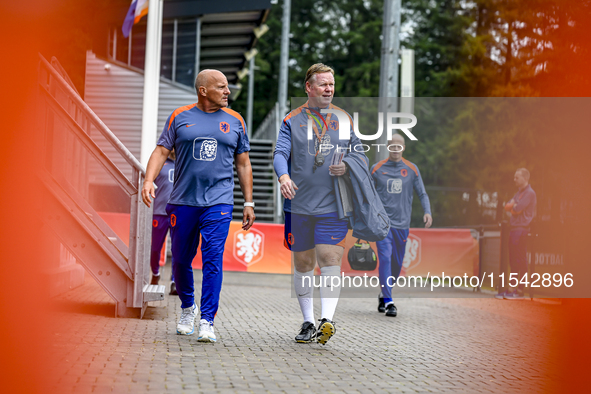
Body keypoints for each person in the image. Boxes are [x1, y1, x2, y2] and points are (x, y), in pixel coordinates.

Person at [141, 69, 255, 342]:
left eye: (227, 87)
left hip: (219, 201)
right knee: (180, 260)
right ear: (203, 90)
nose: (228, 91)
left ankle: (207, 320)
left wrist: (248, 201)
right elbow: (160, 151)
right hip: (182, 201)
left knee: (213, 259)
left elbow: (243, 163)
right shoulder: (180, 116)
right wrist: (148, 179)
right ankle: (187, 308)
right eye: (222, 87)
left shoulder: (236, 120)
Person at [274, 63, 363, 345]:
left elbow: (360, 155)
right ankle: (308, 321)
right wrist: (284, 175)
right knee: (303, 262)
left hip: (334, 205)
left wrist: (347, 165)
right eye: (323, 84)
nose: (329, 89)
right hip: (298, 205)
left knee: (330, 258)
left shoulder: (344, 118)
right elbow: (279, 153)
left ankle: (327, 320)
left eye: (331, 84)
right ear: (309, 87)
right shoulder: (292, 119)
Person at [371, 134, 432, 317]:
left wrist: (427, 211)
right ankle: (389, 302)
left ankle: (384, 292)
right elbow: (367, 195)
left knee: (397, 265)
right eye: (392, 146)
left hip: (402, 225)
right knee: (385, 259)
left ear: (404, 147)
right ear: (388, 148)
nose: (395, 149)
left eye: (399, 146)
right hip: (382, 225)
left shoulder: (412, 169)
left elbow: (422, 193)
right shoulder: (376, 169)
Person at [497, 168, 536, 300]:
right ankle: (512, 288)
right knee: (513, 260)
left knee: (521, 259)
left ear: (525, 178)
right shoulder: (518, 193)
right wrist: (513, 206)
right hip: (514, 228)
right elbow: (507, 206)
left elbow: (517, 209)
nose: (514, 180)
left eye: (517, 177)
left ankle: (520, 290)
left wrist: (513, 207)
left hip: (522, 229)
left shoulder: (530, 193)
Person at [149, 150, 178, 295]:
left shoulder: (184, 164)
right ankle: (155, 273)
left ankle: (175, 281)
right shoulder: (161, 163)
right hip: (159, 213)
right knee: (155, 248)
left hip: (177, 214)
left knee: (177, 249)